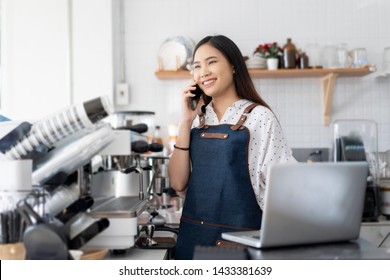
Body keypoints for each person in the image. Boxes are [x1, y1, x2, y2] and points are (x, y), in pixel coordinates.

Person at [168, 35, 296, 260]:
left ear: (234, 66)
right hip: (193, 243)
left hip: (240, 246)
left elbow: (284, 191)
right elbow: (178, 183)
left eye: (212, 62)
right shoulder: (196, 120)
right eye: (197, 66)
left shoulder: (260, 118)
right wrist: (186, 121)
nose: (203, 72)